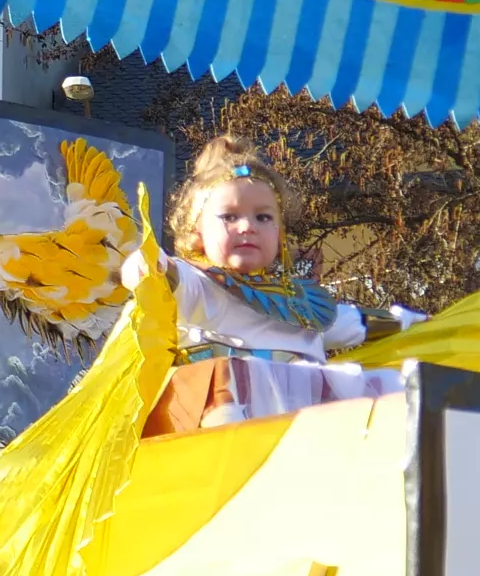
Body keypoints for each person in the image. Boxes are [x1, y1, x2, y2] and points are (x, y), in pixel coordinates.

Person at [131, 138, 439, 430]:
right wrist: (149, 266)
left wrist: (411, 324)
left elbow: (348, 321)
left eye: (263, 218)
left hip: (302, 425)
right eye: (229, 217)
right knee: (231, 379)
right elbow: (171, 279)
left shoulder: (300, 300)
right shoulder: (200, 284)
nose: (248, 226)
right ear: (196, 233)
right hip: (224, 424)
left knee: (396, 390)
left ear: (280, 234)